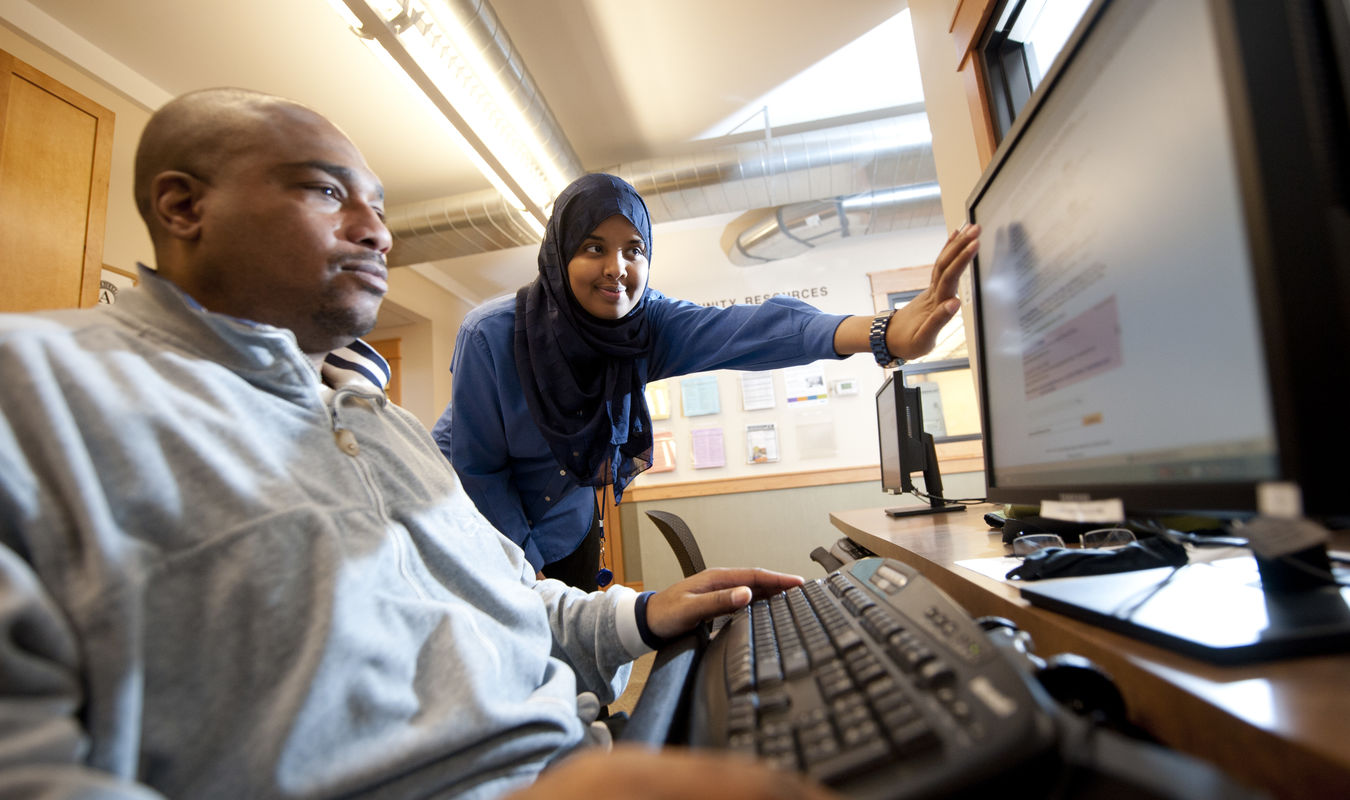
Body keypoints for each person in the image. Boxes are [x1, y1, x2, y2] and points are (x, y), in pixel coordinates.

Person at [0, 87, 836, 800]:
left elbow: (505, 598)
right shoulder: (34, 391)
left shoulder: (378, 422)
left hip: (587, 753)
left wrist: (641, 615)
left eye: (382, 208)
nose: (378, 233)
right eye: (328, 194)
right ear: (184, 207)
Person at [433, 173, 980, 589]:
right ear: (558, 254)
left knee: (578, 679)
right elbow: (478, 471)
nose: (617, 267)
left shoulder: (646, 327)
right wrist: (524, 577)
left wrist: (882, 333)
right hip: (482, 521)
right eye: (593, 247)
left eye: (634, 249)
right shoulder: (491, 335)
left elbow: (755, 330)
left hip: (567, 523)